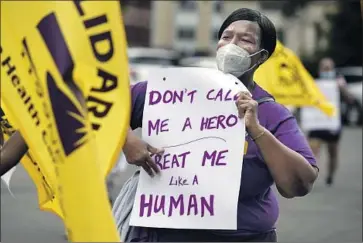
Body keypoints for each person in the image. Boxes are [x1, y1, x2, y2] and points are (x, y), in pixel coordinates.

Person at [120, 8, 319, 242]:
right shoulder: (172, 90)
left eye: (245, 40)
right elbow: (99, 109)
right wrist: (126, 140)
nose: (231, 45)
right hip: (166, 233)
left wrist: (257, 131)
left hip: (245, 237)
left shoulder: (270, 112)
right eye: (226, 37)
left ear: (262, 56)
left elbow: (298, 185)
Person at [307, 57, 354, 186]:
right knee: (312, 152)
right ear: (320, 69)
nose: (326, 70)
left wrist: (343, 88)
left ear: (333, 69)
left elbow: (350, 99)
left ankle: (330, 176)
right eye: (324, 68)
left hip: (332, 123)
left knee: (332, 152)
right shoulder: (313, 81)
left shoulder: (338, 82)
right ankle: (310, 176)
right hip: (316, 123)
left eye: (329, 68)